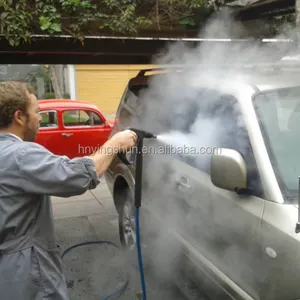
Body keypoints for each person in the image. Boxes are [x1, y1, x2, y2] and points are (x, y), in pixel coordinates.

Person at [0, 81, 137, 300]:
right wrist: (115, 143)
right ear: (19, 116)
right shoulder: (20, 156)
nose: (40, 118)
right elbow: (77, 177)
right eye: (36, 112)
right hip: (24, 273)